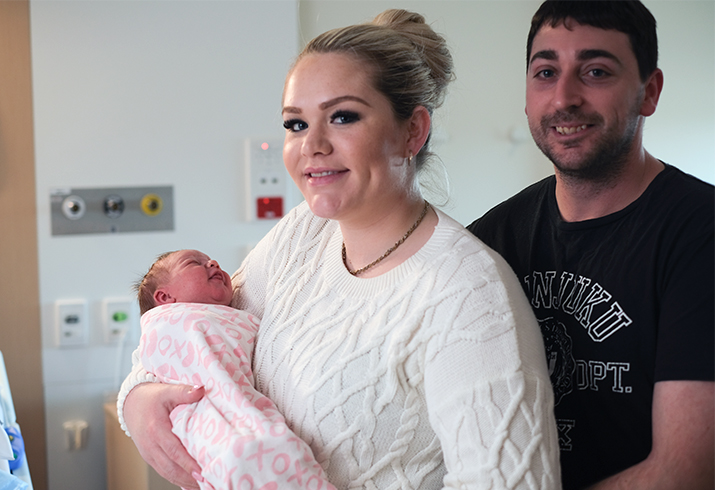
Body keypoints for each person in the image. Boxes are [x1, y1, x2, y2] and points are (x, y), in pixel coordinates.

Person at [117, 9, 562, 490]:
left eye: (343, 117)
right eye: (295, 124)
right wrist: (138, 398)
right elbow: (195, 329)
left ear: (413, 130)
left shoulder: (466, 292)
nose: (312, 145)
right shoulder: (303, 234)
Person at [468, 1, 714, 489]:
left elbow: (687, 471)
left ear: (649, 91)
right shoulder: (491, 240)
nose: (563, 97)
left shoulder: (700, 233)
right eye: (545, 72)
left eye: (596, 71)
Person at [134, 249, 335, 490]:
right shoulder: (164, 326)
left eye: (209, 259)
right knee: (256, 451)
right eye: (193, 263)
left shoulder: (231, 315)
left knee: (252, 454)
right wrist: (135, 398)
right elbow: (147, 364)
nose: (212, 262)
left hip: (234, 429)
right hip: (205, 423)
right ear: (166, 298)